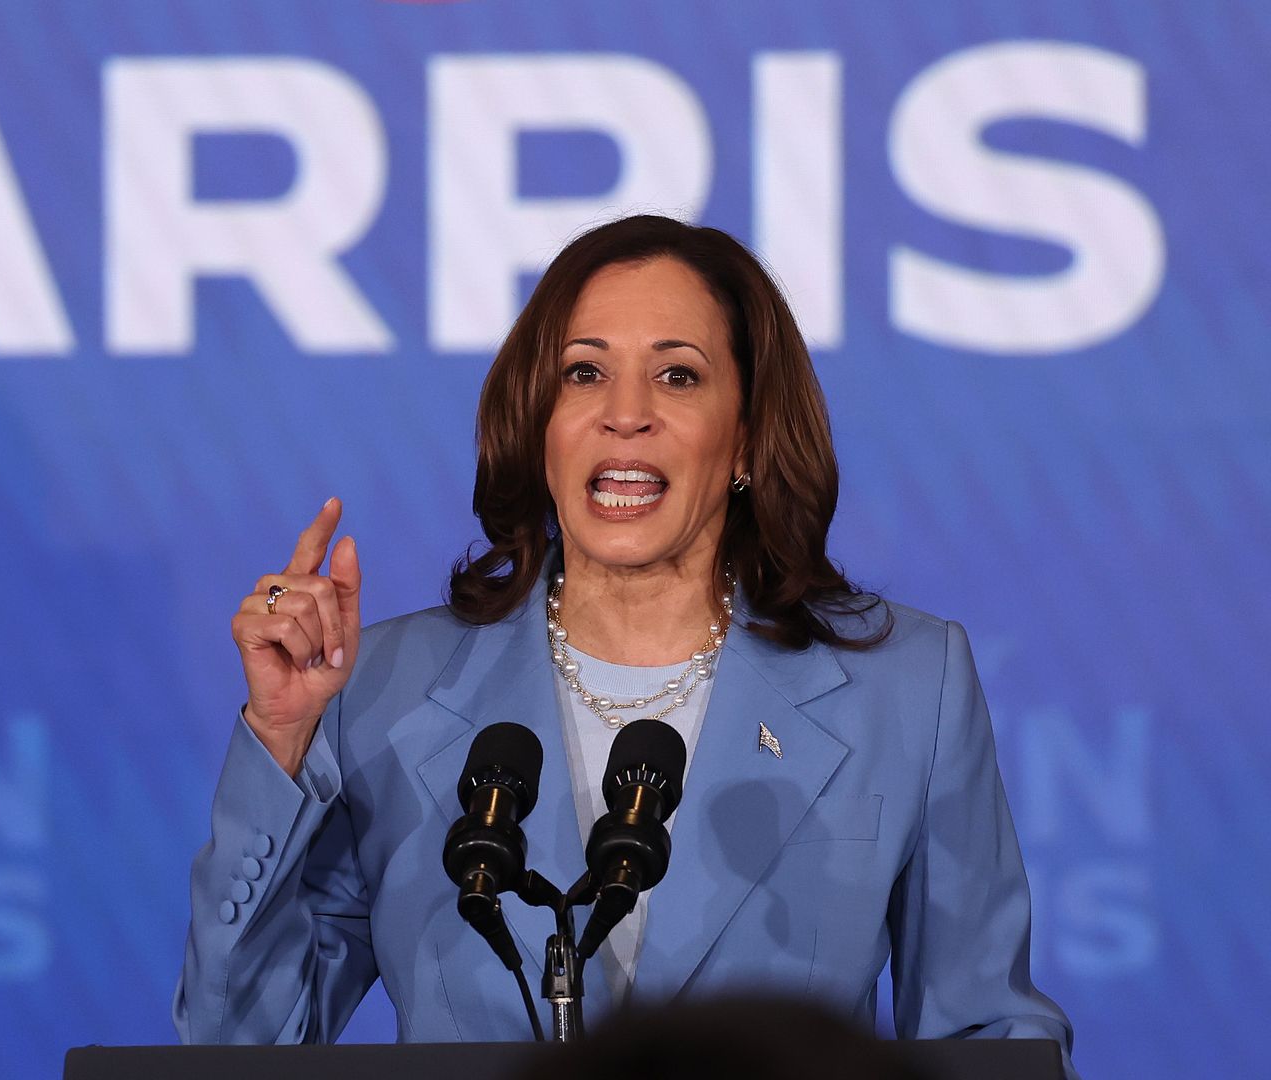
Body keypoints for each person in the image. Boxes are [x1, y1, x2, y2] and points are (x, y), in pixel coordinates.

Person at [175, 215, 1074, 1072]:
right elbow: (242, 1058)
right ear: (539, 425)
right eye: (583, 374)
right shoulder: (385, 693)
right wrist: (282, 740)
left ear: (749, 438)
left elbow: (988, 1041)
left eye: (678, 376)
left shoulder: (905, 689)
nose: (625, 414)